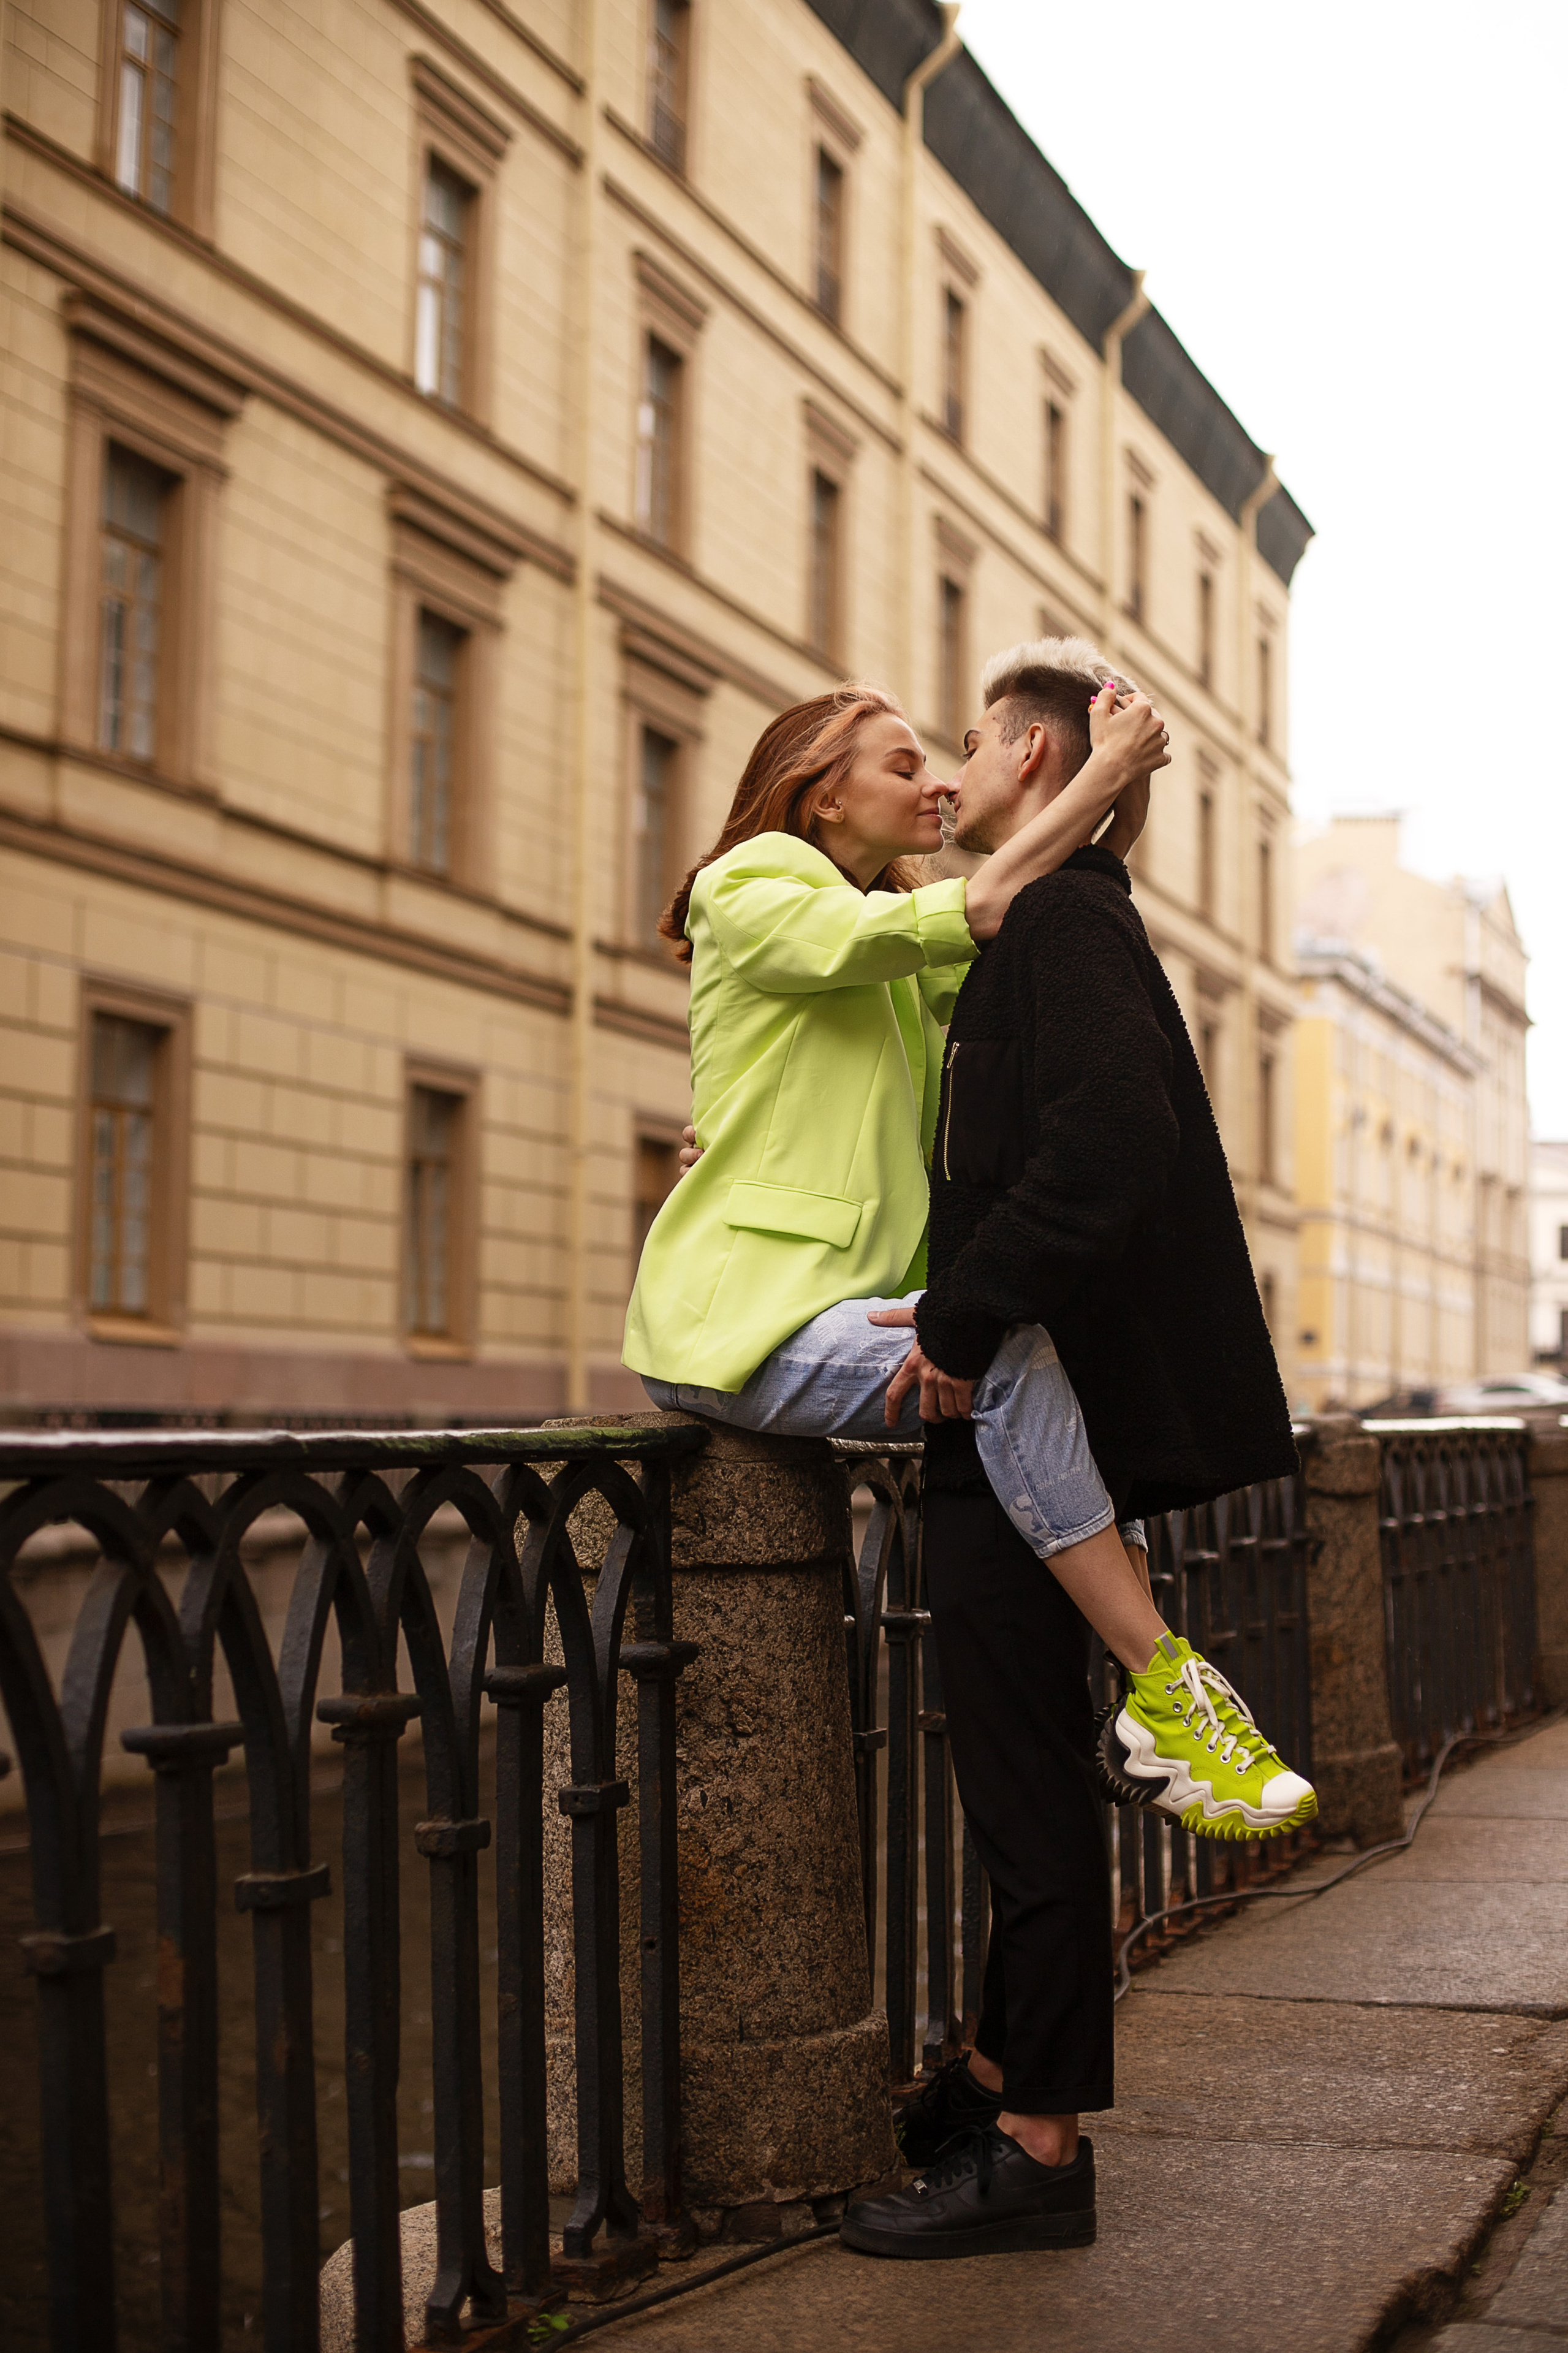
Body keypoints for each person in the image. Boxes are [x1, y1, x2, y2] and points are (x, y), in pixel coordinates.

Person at [838, 637, 1309, 2262]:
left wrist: (962, 1323)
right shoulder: (1038, 925)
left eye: (969, 743)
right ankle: (1003, 2078)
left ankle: (1035, 2148)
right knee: (1025, 1787)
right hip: (1026, 1417)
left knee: (1028, 1795)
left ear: (1035, 760)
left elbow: (1114, 1140)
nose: (952, 773)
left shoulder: (1059, 923)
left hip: (1015, 1422)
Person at [623, 678, 1178, 1689]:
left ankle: (1150, 1694)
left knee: (1069, 1345)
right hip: (738, 1321)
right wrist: (1103, 772)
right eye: (905, 766)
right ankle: (1163, 1678)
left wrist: (1116, 819)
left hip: (850, 1305)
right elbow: (971, 911)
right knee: (1006, 1355)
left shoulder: (899, 934)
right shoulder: (748, 884)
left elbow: (1021, 939)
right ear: (824, 795)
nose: (938, 789)